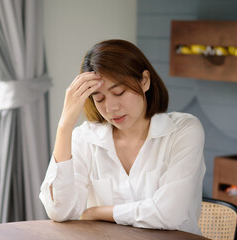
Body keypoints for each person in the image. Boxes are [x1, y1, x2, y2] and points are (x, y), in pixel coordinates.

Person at [39, 39, 206, 235]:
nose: (111, 108)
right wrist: (64, 126)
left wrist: (98, 212)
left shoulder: (183, 131)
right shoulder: (86, 138)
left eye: (119, 92)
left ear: (144, 81)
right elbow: (60, 211)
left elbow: (170, 214)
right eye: (99, 98)